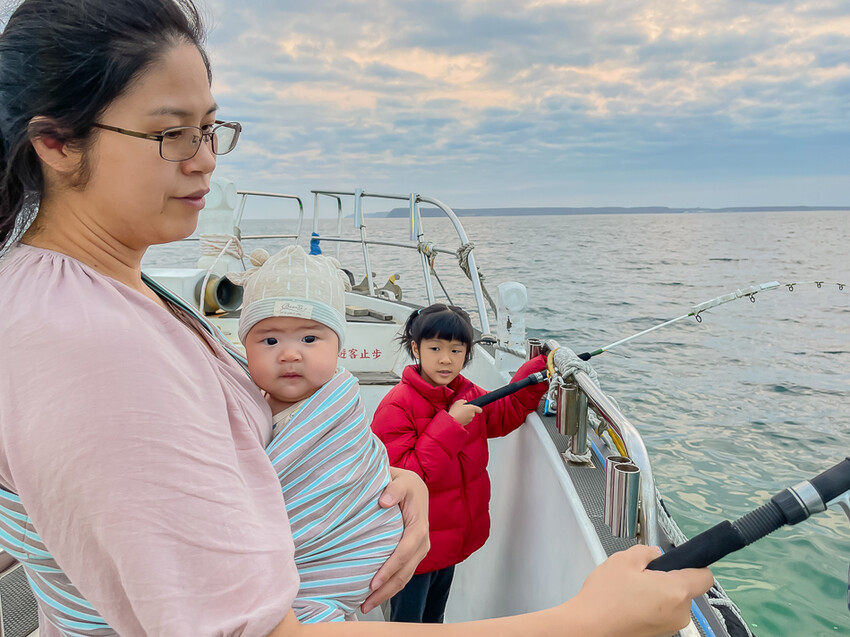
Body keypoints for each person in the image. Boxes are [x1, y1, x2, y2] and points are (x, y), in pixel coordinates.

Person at [0, 0, 713, 635]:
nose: (206, 161)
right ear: (56, 142)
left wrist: (368, 484)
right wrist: (585, 623)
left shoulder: (102, 293)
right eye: (172, 134)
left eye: (213, 128)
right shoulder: (89, 343)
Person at [235, 244, 403, 623]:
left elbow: (356, 469)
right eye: (270, 340)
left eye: (310, 340)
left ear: (339, 346)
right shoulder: (244, 406)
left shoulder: (340, 409)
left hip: (345, 550)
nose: (290, 354)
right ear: (243, 347)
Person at [370, 304, 549, 622]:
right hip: (412, 546)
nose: (445, 359)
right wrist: (451, 425)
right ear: (416, 348)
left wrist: (537, 371)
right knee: (406, 624)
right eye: (435, 348)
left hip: (448, 543)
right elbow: (403, 478)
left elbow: (503, 414)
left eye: (456, 350)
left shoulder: (466, 394)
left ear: (467, 354)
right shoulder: (397, 405)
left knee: (434, 619)